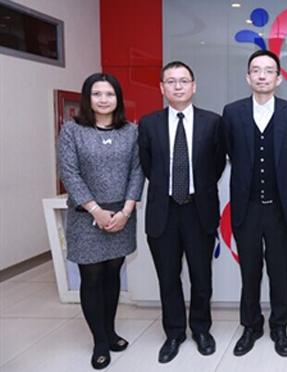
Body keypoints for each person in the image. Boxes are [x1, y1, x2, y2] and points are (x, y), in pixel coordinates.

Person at [138, 61, 226, 363]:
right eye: (171, 81)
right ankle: (174, 333)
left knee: (202, 276)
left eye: (184, 81)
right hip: (163, 211)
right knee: (168, 277)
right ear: (162, 88)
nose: (178, 86)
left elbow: (216, 165)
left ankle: (201, 329)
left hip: (198, 210)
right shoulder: (148, 124)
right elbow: (148, 166)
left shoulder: (212, 122)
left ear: (194, 86)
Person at [58, 73, 143, 369]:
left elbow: (137, 171)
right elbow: (69, 173)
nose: (103, 99)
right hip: (86, 217)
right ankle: (100, 341)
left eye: (109, 94)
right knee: (92, 277)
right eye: (97, 94)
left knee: (112, 273)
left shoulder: (131, 131)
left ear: (118, 98)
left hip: (121, 216)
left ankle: (110, 331)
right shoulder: (72, 131)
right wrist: (95, 209)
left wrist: (126, 211)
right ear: (88, 98)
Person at [222, 50, 287, 357]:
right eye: (256, 70)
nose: (262, 76)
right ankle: (251, 326)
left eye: (269, 71)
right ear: (247, 77)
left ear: (278, 78)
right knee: (250, 271)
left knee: (279, 272)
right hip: (246, 206)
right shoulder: (232, 112)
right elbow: (229, 150)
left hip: (280, 206)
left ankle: (279, 327)